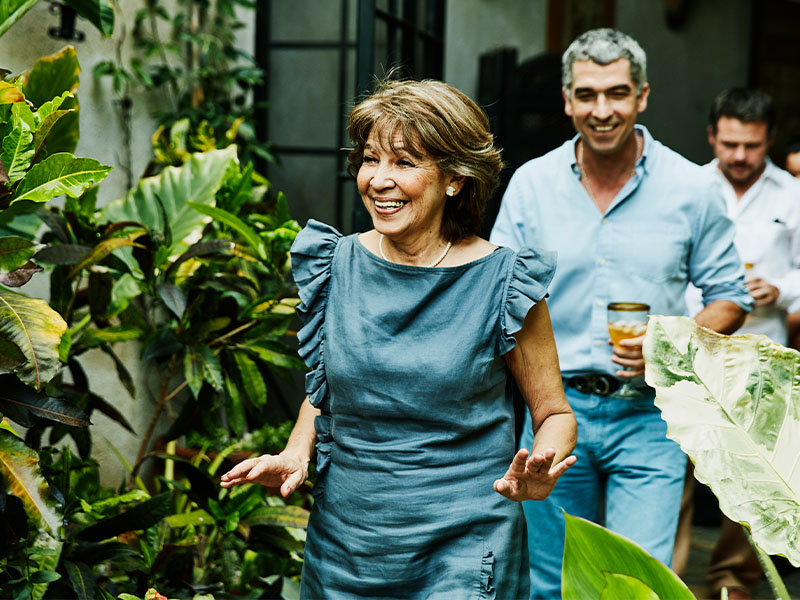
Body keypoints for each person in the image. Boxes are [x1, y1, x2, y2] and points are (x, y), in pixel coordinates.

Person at [220, 78, 578, 598]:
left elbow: (554, 413)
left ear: (455, 179)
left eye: (404, 162)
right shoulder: (335, 264)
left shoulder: (505, 283)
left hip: (463, 543)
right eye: (371, 159)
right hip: (346, 546)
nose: (379, 180)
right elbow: (326, 393)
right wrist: (296, 455)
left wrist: (541, 465)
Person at [490, 28, 751, 600]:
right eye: (587, 94)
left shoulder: (692, 188)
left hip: (651, 417)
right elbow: (498, 296)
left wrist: (671, 337)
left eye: (617, 93)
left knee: (639, 585)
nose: (602, 110)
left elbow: (731, 297)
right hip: (553, 412)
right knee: (551, 583)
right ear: (567, 100)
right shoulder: (531, 186)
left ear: (643, 96)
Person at [679, 88, 800, 600]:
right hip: (692, 350)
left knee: (753, 479)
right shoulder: (686, 186)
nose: (740, 156)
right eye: (730, 144)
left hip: (763, 354)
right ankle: (667, 579)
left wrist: (783, 289)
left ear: (769, 140)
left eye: (751, 145)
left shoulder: (792, 195)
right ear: (712, 136)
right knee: (676, 472)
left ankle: (733, 583)